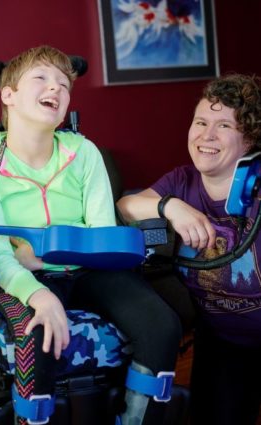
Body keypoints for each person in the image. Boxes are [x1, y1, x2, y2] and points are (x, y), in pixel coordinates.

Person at [0, 45, 181, 425]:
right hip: (23, 278)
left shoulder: (84, 153)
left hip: (91, 271)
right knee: (35, 341)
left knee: (163, 327)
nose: (57, 89)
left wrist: (39, 252)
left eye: (64, 85)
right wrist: (39, 292)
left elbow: (103, 238)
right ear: (8, 94)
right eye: (42, 79)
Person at [117, 73, 261, 425]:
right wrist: (170, 206)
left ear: (250, 139)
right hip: (223, 342)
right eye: (200, 122)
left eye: (224, 125)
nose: (206, 135)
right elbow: (126, 205)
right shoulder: (182, 182)